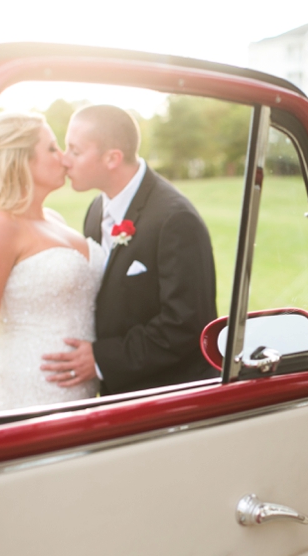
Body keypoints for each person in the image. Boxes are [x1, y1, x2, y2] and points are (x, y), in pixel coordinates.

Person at [40, 105, 218, 395]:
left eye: (75, 150)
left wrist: (101, 358)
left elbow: (186, 326)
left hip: (166, 399)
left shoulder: (176, 219)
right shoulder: (97, 209)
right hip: (116, 396)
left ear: (112, 158)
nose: (65, 159)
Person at [0, 112, 105, 415]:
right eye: (52, 148)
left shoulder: (55, 219)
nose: (64, 158)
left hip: (79, 397)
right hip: (27, 396)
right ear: (20, 159)